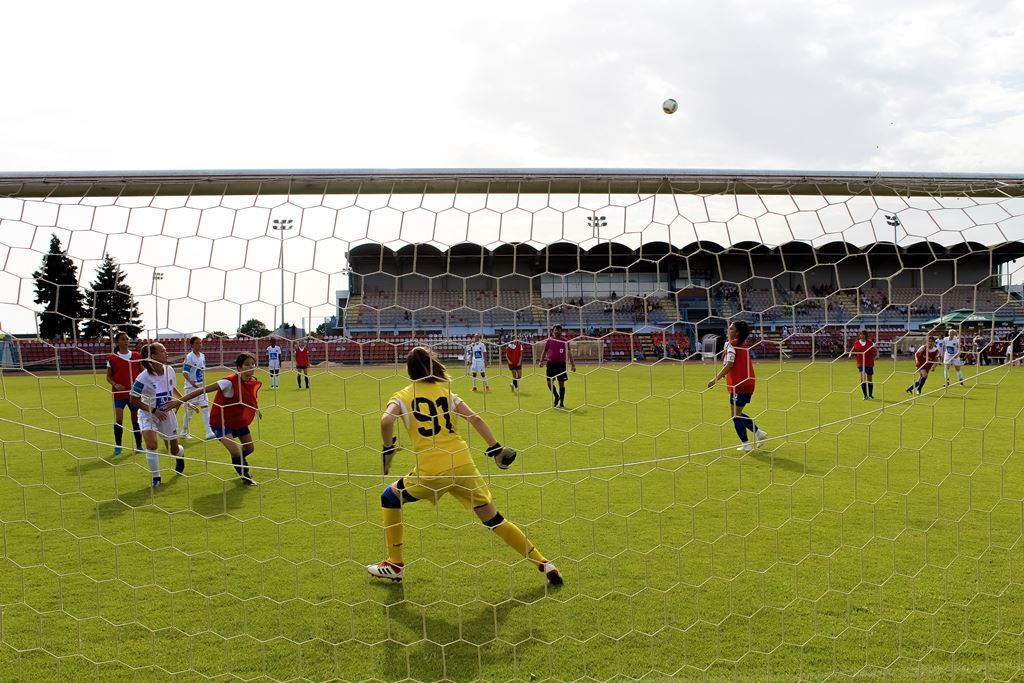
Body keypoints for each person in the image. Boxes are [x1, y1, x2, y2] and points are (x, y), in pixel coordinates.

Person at [366, 347, 562, 585]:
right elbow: (475, 418)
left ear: (409, 371)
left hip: (432, 470)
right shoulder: (447, 393)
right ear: (433, 366)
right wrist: (495, 448)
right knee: (494, 519)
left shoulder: (402, 396)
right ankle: (544, 563)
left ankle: (395, 564)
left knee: (389, 497)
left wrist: (388, 447)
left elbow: (386, 420)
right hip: (463, 464)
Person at [171, 352, 262, 486]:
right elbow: (201, 390)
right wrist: (180, 401)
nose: (251, 366)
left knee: (249, 448)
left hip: (237, 420)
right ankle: (246, 477)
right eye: (247, 364)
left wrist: (256, 408)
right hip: (221, 422)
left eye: (253, 364)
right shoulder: (228, 382)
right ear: (239, 367)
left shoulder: (251, 381)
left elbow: (250, 396)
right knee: (235, 451)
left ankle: (239, 461)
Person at [129, 343, 186, 489]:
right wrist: (154, 411)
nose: (166, 353)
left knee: (173, 450)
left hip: (166, 414)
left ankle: (180, 455)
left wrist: (181, 400)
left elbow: (172, 387)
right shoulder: (143, 378)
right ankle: (156, 477)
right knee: (151, 444)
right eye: (162, 351)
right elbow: (133, 399)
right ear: (153, 356)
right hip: (148, 414)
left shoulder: (170, 370)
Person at [707, 321, 768, 453]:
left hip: (739, 384)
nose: (728, 330)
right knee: (738, 414)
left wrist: (715, 379)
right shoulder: (743, 345)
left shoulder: (731, 345)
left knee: (735, 415)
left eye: (731, 328)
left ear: (737, 333)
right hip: (748, 383)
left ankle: (746, 444)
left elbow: (730, 363)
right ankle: (759, 433)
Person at [105, 331, 143, 456]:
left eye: (127, 339)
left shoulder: (137, 356)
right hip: (119, 395)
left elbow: (142, 373)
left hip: (134, 394)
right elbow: (108, 377)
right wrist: (116, 384)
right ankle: (118, 446)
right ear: (117, 342)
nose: (126, 341)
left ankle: (139, 445)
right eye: (122, 339)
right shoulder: (112, 358)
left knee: (135, 419)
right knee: (119, 419)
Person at [182, 336, 216, 440]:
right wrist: (191, 381)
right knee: (190, 411)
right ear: (192, 345)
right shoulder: (189, 357)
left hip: (202, 387)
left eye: (200, 343)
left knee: (205, 408)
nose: (199, 345)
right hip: (191, 388)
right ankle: (184, 431)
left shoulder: (202, 356)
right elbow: (185, 372)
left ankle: (209, 432)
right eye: (197, 343)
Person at [540, 325, 575, 408]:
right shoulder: (549, 340)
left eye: (558, 330)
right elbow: (544, 351)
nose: (557, 331)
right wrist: (541, 361)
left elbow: (569, 353)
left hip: (561, 364)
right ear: (553, 331)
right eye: (555, 330)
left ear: (561, 331)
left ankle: (562, 402)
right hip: (550, 364)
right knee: (549, 383)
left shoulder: (565, 341)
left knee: (561, 384)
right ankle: (556, 396)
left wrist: (573, 365)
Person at [850, 330, 877, 400]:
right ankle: (865, 395)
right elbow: (852, 351)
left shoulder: (870, 342)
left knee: (870, 379)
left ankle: (870, 395)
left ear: (866, 335)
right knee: (863, 378)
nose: (862, 335)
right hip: (861, 363)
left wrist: (877, 355)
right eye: (860, 334)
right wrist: (850, 355)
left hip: (869, 363)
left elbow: (875, 349)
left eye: (863, 334)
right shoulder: (856, 343)